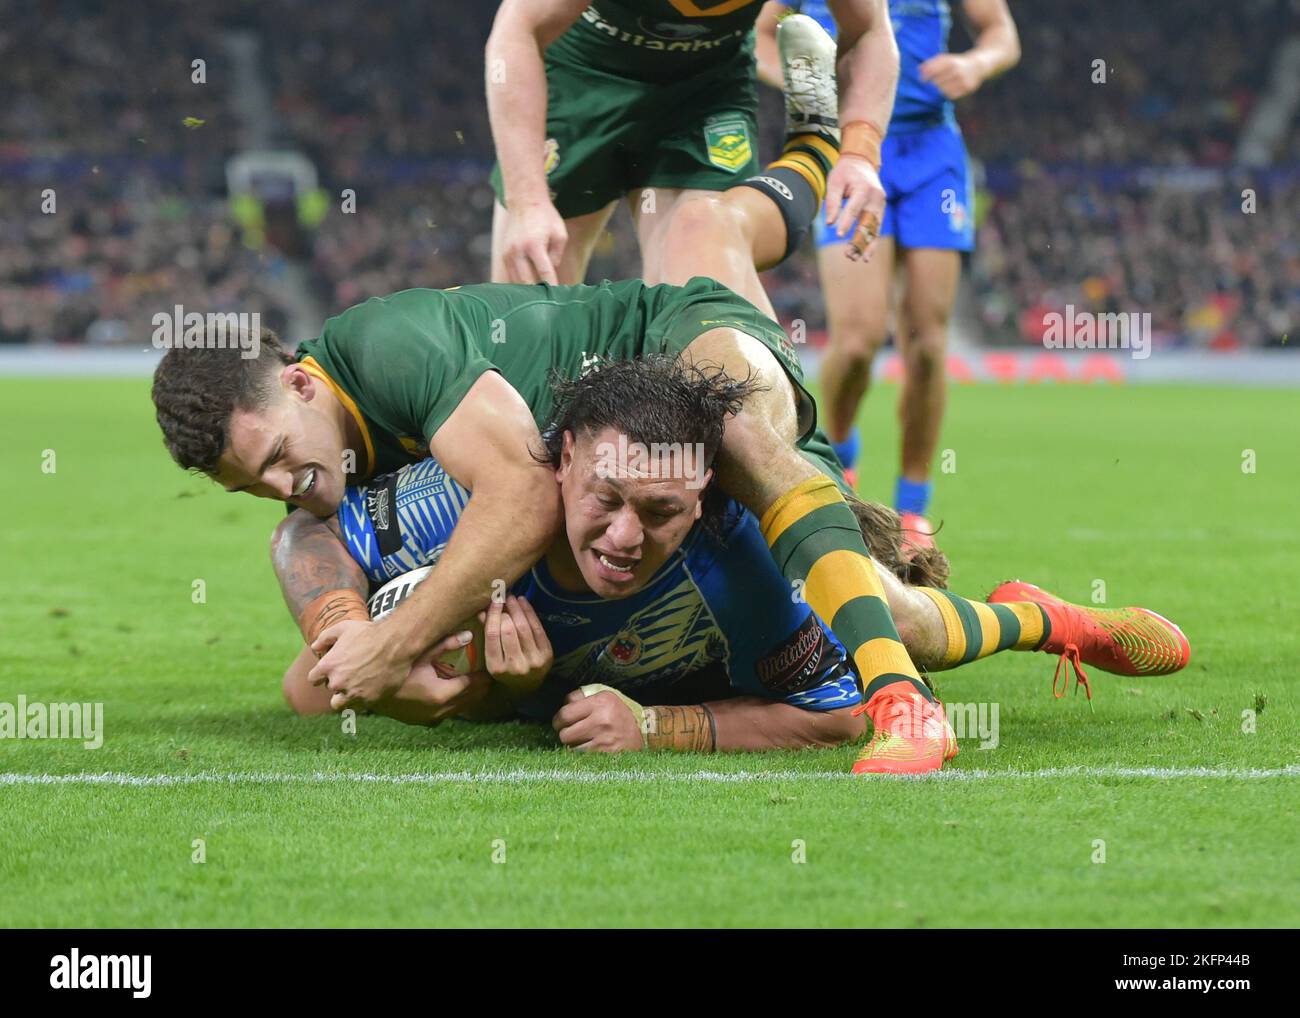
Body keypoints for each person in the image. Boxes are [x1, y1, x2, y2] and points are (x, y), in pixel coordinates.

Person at [278, 357, 1191, 764]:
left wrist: (660, 731)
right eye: (603, 500)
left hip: (715, 666)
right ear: (556, 468)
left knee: (902, 623)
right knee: (309, 690)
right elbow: (304, 537)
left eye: (660, 511)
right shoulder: (460, 502)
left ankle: (1050, 621)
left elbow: (840, 720)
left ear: (703, 497)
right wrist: (362, 633)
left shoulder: (739, 570)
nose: (624, 539)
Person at [757, 0, 1019, 543]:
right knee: (858, 341)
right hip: (848, 149)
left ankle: (913, 508)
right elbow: (757, 36)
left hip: (932, 154)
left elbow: (1002, 34)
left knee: (926, 345)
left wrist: (975, 64)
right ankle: (841, 458)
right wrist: (806, 87)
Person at [486, 3, 897, 319]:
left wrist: (860, 152)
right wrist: (528, 201)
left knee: (698, 298)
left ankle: (759, 419)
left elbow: (868, 31)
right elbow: (517, 29)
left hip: (705, 87)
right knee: (527, 324)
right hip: (578, 80)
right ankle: (815, 146)